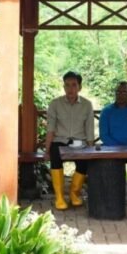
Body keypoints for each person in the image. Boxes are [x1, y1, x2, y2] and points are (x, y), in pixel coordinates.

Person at [44, 71, 94, 211]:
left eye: (74, 85)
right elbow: (50, 129)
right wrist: (47, 150)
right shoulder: (55, 104)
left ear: (80, 87)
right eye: (67, 85)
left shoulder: (87, 105)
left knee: (83, 162)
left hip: (80, 142)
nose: (70, 89)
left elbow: (90, 129)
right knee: (55, 154)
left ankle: (74, 193)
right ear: (63, 87)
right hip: (60, 140)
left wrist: (90, 148)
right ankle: (59, 197)